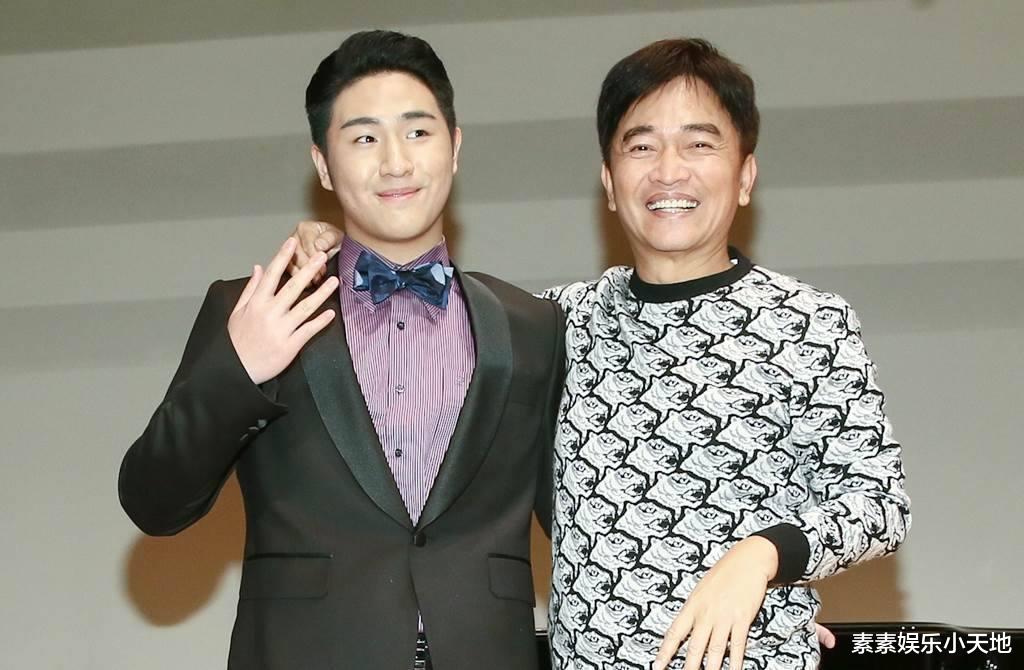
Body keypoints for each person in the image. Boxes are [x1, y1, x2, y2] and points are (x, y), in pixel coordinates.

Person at [294, 38, 908, 670]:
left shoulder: (809, 320)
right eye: (641, 147)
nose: (669, 171)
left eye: (700, 144)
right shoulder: (556, 322)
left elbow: (881, 501)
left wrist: (766, 556)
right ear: (610, 184)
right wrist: (333, 244)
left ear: (746, 176)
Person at [118, 30, 564, 670]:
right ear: (323, 165)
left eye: (418, 132)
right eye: (363, 139)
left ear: (455, 147)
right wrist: (239, 369)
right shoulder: (256, 308)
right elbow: (154, 503)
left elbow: (581, 519)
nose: (396, 162)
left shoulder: (534, 325)